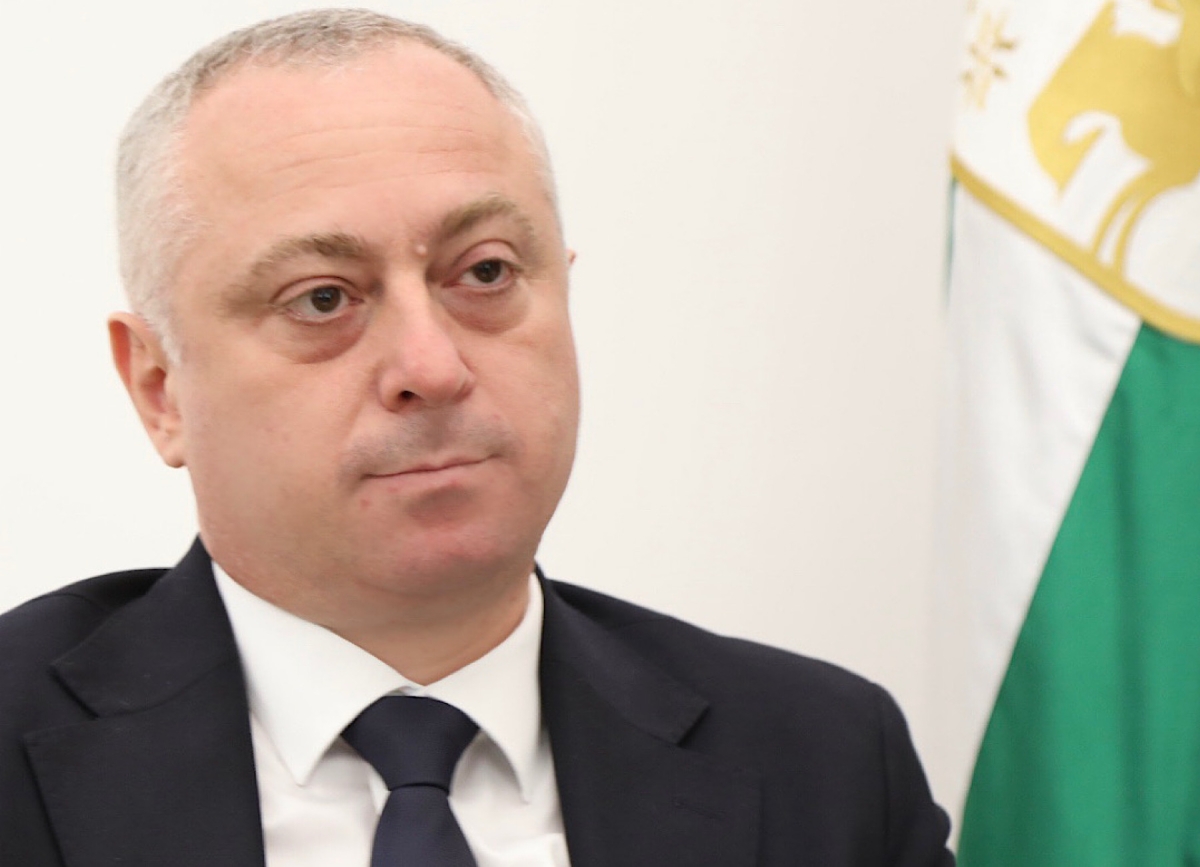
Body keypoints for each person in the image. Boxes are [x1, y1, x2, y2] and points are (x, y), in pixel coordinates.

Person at [0, 9, 954, 866]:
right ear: (159, 387)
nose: (433, 365)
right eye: (323, 298)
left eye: (485, 272)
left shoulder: (822, 762)